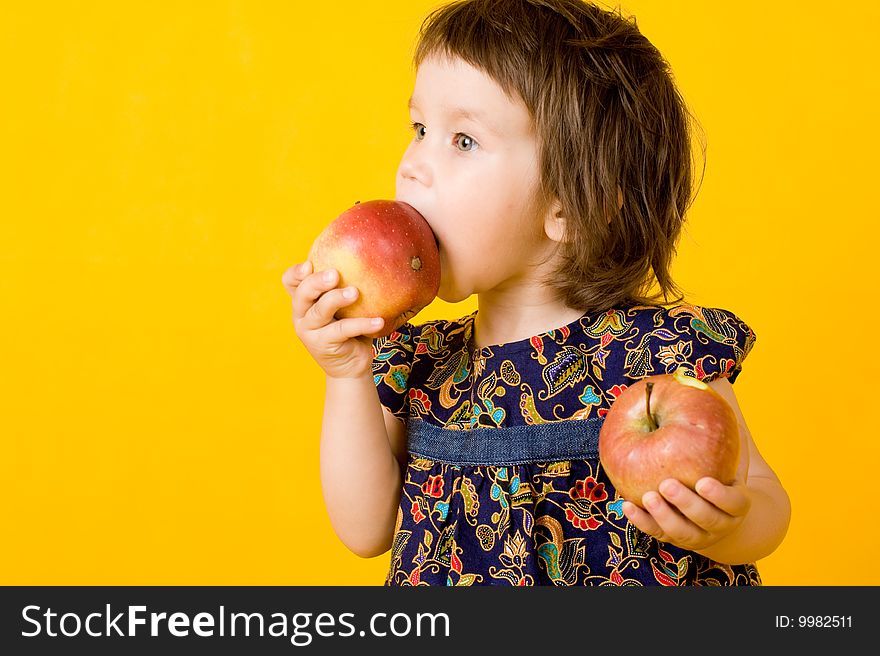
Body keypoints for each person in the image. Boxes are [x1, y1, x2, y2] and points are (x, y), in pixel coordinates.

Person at [282, 0, 791, 585]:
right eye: (420, 129)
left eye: (464, 140)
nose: (414, 165)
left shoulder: (654, 357)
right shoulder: (419, 366)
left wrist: (726, 526)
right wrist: (346, 374)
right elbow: (363, 528)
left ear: (573, 205)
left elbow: (765, 501)